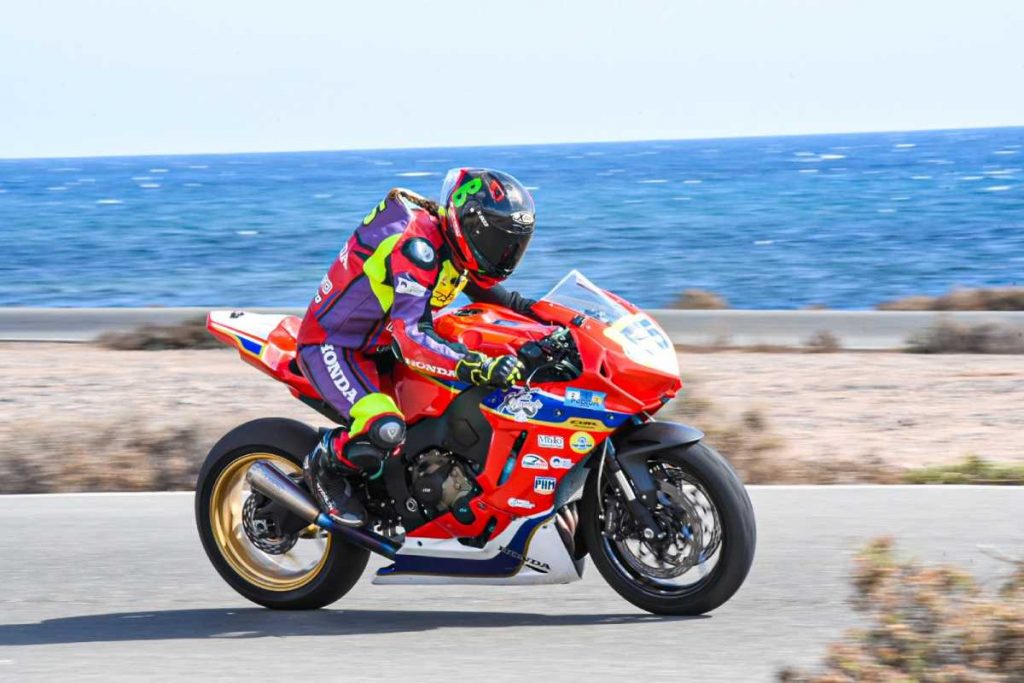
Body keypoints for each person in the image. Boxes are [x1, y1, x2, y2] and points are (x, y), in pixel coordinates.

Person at [296, 168, 538, 527]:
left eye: (513, 245)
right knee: (385, 427)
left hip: (382, 348)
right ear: (470, 227)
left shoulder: (455, 249)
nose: (505, 253)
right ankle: (324, 465)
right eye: (498, 242)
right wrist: (477, 364)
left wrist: (559, 321)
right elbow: (410, 337)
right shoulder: (417, 248)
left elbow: (506, 301)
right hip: (335, 346)